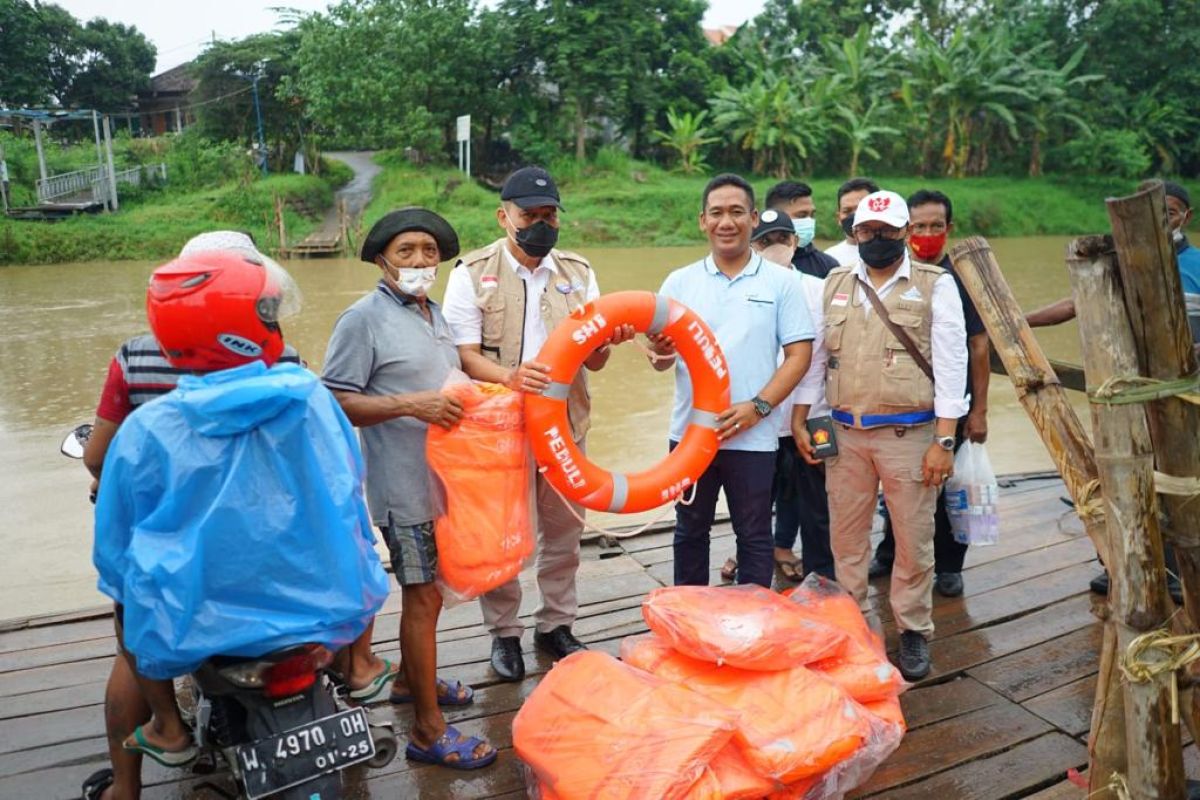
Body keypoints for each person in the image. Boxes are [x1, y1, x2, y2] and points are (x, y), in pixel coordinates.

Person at [86, 249, 389, 800]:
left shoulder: (146, 431)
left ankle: (167, 726)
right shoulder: (313, 400)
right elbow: (348, 489)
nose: (275, 321)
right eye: (267, 312)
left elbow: (113, 555)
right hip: (321, 613)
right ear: (240, 329)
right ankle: (361, 666)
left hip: (201, 626)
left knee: (122, 598)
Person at [80, 232, 308, 800]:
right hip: (266, 552)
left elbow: (98, 457)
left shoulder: (136, 356)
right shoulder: (284, 361)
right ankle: (357, 668)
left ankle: (143, 763)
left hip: (173, 555)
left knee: (131, 640)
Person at [442, 166, 634, 682]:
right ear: (503, 216)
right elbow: (462, 354)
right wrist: (510, 376)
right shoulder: (471, 272)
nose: (541, 225)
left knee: (563, 532)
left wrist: (607, 343)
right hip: (498, 428)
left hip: (566, 425)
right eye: (530, 215)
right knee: (502, 534)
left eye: (550, 216)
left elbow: (594, 362)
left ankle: (555, 624)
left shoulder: (577, 272)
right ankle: (504, 634)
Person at [322, 208, 498, 769]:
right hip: (401, 488)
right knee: (422, 599)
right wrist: (410, 405)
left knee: (433, 594)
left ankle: (409, 684)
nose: (420, 260)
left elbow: (446, 384)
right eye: (406, 251)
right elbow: (333, 400)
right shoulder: (362, 319)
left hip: (444, 482)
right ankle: (426, 729)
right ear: (382, 259)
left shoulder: (435, 314)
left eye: (428, 251)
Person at [794, 190, 968, 680]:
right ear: (854, 233)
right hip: (845, 435)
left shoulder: (936, 285)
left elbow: (954, 363)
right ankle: (856, 626)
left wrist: (945, 439)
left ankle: (913, 629)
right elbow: (818, 359)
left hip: (909, 436)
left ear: (904, 232)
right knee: (846, 539)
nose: (875, 239)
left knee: (913, 539)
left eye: (886, 231)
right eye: (866, 232)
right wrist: (803, 415)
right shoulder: (833, 284)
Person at [1025, 180, 1192, 605]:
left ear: (1184, 217)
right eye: (1153, 214)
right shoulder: (1120, 263)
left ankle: (1176, 569)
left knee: (1179, 481)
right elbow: (1074, 304)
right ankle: (1121, 564)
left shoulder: (1195, 264)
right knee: (1126, 477)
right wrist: (1017, 321)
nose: (1162, 221)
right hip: (1127, 396)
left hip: (1185, 397)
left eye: (1169, 213)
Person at [648, 174, 815, 589]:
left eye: (737, 212)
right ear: (703, 221)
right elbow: (658, 359)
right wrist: (659, 352)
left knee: (755, 535)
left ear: (753, 218)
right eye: (717, 213)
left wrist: (758, 407)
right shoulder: (679, 282)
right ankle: (687, 621)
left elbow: (800, 355)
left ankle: (752, 623)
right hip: (690, 434)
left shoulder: (781, 283)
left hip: (753, 435)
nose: (727, 222)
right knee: (690, 530)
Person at [868, 189, 991, 598]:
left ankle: (950, 565)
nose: (926, 233)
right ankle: (889, 551)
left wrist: (980, 411)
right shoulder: (891, 273)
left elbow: (978, 345)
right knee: (900, 484)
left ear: (948, 229)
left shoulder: (961, 278)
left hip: (951, 406)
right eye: (918, 225)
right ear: (904, 229)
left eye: (936, 226)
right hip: (904, 406)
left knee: (947, 486)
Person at [748, 208, 835, 582]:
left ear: (794, 241)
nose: (774, 247)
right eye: (764, 242)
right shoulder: (746, 291)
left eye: (781, 239)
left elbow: (817, 359)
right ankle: (752, 573)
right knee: (755, 502)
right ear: (753, 245)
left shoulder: (818, 289)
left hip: (817, 416)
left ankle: (824, 582)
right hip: (762, 418)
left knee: (821, 505)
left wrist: (800, 417)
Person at [765, 180, 840, 279]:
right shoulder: (752, 262)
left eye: (812, 215)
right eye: (801, 215)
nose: (809, 221)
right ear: (774, 217)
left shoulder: (828, 267)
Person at [825, 178, 881, 267]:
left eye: (861, 209)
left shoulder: (894, 254)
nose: (855, 216)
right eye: (847, 211)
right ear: (839, 218)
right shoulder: (827, 259)